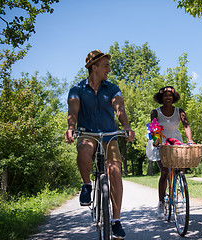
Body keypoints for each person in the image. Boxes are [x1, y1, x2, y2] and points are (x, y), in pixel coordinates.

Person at [64, 49, 135, 239]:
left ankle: (116, 221)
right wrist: (71, 127)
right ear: (93, 67)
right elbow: (73, 110)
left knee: (115, 172)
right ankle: (87, 185)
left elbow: (119, 108)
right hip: (87, 133)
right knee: (85, 150)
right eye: (105, 66)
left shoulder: (112, 88)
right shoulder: (77, 89)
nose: (109, 70)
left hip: (109, 134)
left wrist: (126, 126)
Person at [150, 86, 194, 219]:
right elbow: (153, 127)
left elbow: (186, 125)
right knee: (164, 172)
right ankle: (161, 203)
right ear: (161, 98)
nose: (168, 98)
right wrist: (156, 140)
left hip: (175, 142)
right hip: (160, 143)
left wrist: (190, 140)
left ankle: (176, 186)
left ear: (174, 98)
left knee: (180, 169)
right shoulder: (155, 112)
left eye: (170, 95)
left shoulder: (179, 111)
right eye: (165, 96)